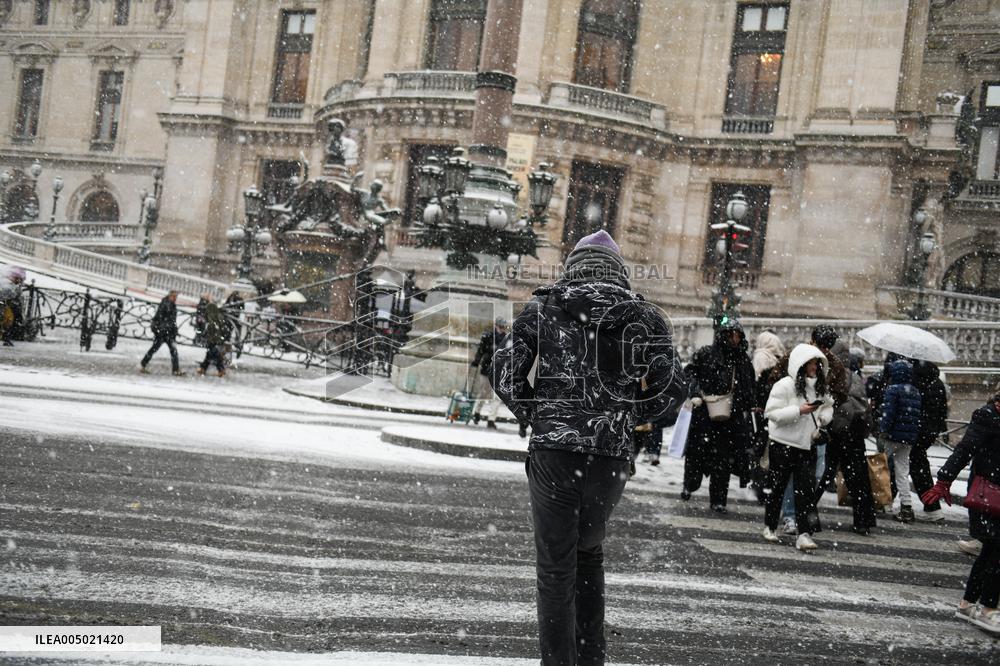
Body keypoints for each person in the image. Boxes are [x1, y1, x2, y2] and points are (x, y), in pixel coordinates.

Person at [491, 229, 685, 666]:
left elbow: (504, 372)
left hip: (555, 453)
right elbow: (672, 390)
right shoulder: (645, 318)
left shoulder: (543, 307)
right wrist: (626, 418)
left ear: (572, 267)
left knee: (556, 568)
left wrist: (540, 416)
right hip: (610, 458)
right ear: (619, 270)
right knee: (589, 553)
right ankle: (590, 657)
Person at [922, 394, 1000, 636]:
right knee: (996, 550)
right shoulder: (989, 416)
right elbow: (965, 449)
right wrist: (944, 480)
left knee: (990, 551)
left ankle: (967, 604)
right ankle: (987, 609)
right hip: (988, 493)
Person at [762, 343, 834, 551]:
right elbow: (772, 413)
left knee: (805, 491)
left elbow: (828, 407)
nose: (814, 367)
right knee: (778, 487)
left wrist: (822, 419)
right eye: (810, 363)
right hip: (783, 444)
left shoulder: (820, 387)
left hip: (806, 444)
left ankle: (804, 533)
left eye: (816, 363)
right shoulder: (784, 385)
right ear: (800, 365)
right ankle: (770, 525)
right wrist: (799, 411)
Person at [682, 317, 755, 513]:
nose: (735, 339)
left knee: (723, 461)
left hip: (730, 420)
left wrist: (738, 402)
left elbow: (749, 388)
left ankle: (718, 499)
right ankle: (690, 483)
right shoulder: (706, 354)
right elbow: (690, 375)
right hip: (704, 415)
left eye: (738, 336)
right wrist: (696, 393)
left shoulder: (742, 360)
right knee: (697, 454)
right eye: (732, 335)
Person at [815, 341, 878, 535]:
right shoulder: (854, 377)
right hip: (853, 435)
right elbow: (862, 408)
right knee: (858, 479)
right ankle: (864, 519)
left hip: (835, 433)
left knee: (824, 476)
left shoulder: (828, 376)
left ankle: (807, 512)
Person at [879, 359, 923, 523]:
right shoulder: (916, 391)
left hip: (893, 436)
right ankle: (906, 507)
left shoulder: (893, 390)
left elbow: (888, 413)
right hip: (908, 438)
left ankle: (878, 501)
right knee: (902, 472)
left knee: (880, 467)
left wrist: (883, 429)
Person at [911, 360, 949, 522]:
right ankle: (930, 505)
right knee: (913, 463)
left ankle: (932, 506)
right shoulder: (937, 382)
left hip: (916, 429)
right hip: (930, 430)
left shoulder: (915, 380)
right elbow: (942, 409)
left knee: (914, 464)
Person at [470, 317, 508, 430]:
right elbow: (481, 350)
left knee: (497, 397)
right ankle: (476, 412)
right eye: (500, 326)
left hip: (499, 371)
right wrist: (476, 361)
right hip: (487, 368)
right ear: (496, 325)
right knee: (483, 393)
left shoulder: (506, 338)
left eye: (503, 327)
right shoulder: (488, 336)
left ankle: (491, 420)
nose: (502, 329)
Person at [140, 291, 182, 376]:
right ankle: (143, 364)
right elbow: (161, 318)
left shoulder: (170, 304)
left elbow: (172, 320)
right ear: (170, 296)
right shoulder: (166, 304)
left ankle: (176, 369)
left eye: (176, 297)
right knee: (156, 349)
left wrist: (174, 330)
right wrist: (165, 329)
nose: (175, 298)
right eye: (174, 296)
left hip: (167, 332)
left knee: (171, 351)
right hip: (163, 332)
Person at [196, 297, 227, 377]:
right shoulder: (218, 316)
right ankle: (204, 368)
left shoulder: (212, 319)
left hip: (213, 340)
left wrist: (209, 338)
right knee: (211, 354)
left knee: (213, 354)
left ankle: (220, 369)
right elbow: (222, 328)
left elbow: (212, 331)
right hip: (217, 339)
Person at [0, 266, 26, 346]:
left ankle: (6, 338)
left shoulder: (6, 283)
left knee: (7, 321)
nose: (20, 281)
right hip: (5, 306)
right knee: (8, 321)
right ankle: (7, 338)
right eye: (18, 279)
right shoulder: (9, 285)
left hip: (6, 306)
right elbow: (10, 295)